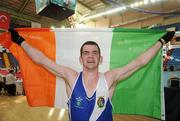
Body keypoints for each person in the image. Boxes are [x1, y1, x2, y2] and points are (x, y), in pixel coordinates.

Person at [8, 29, 175, 121]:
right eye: (86, 53)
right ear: (80, 59)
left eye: (94, 53)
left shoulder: (109, 78)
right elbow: (41, 60)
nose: (90, 56)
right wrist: (20, 40)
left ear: (100, 58)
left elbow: (139, 62)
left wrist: (162, 41)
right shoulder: (71, 76)